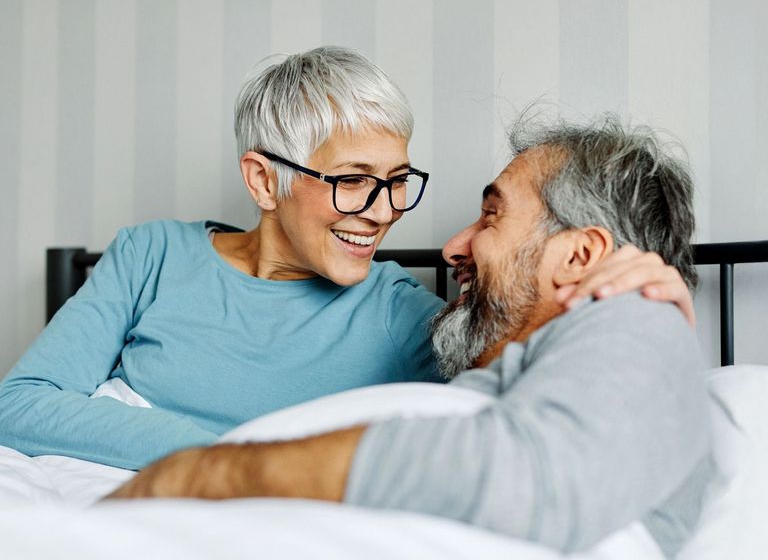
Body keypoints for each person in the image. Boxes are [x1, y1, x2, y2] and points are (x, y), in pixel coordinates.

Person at [0, 46, 691, 472]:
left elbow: (528, 396)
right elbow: (19, 403)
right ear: (265, 180)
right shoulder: (150, 255)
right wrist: (224, 456)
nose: (385, 209)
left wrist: (646, 315)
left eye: (397, 181)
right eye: (354, 179)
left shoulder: (407, 316)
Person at [109, 117, 711, 559]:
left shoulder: (636, 317)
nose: (453, 248)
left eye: (492, 216)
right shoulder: (529, 362)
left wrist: (198, 475)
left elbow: (533, 480)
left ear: (580, 254)